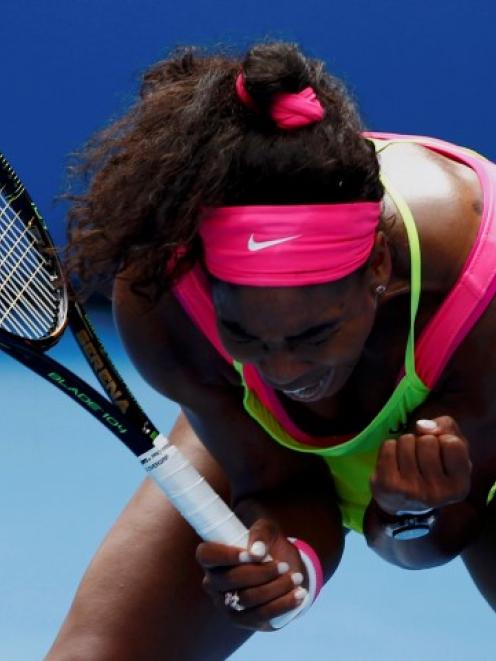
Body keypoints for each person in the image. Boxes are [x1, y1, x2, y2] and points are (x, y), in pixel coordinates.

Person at [48, 41, 496, 659]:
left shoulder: (481, 289)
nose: (283, 371)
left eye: (313, 335)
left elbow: (428, 545)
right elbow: (281, 485)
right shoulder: (165, 298)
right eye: (248, 337)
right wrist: (288, 567)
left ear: (380, 268)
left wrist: (410, 515)